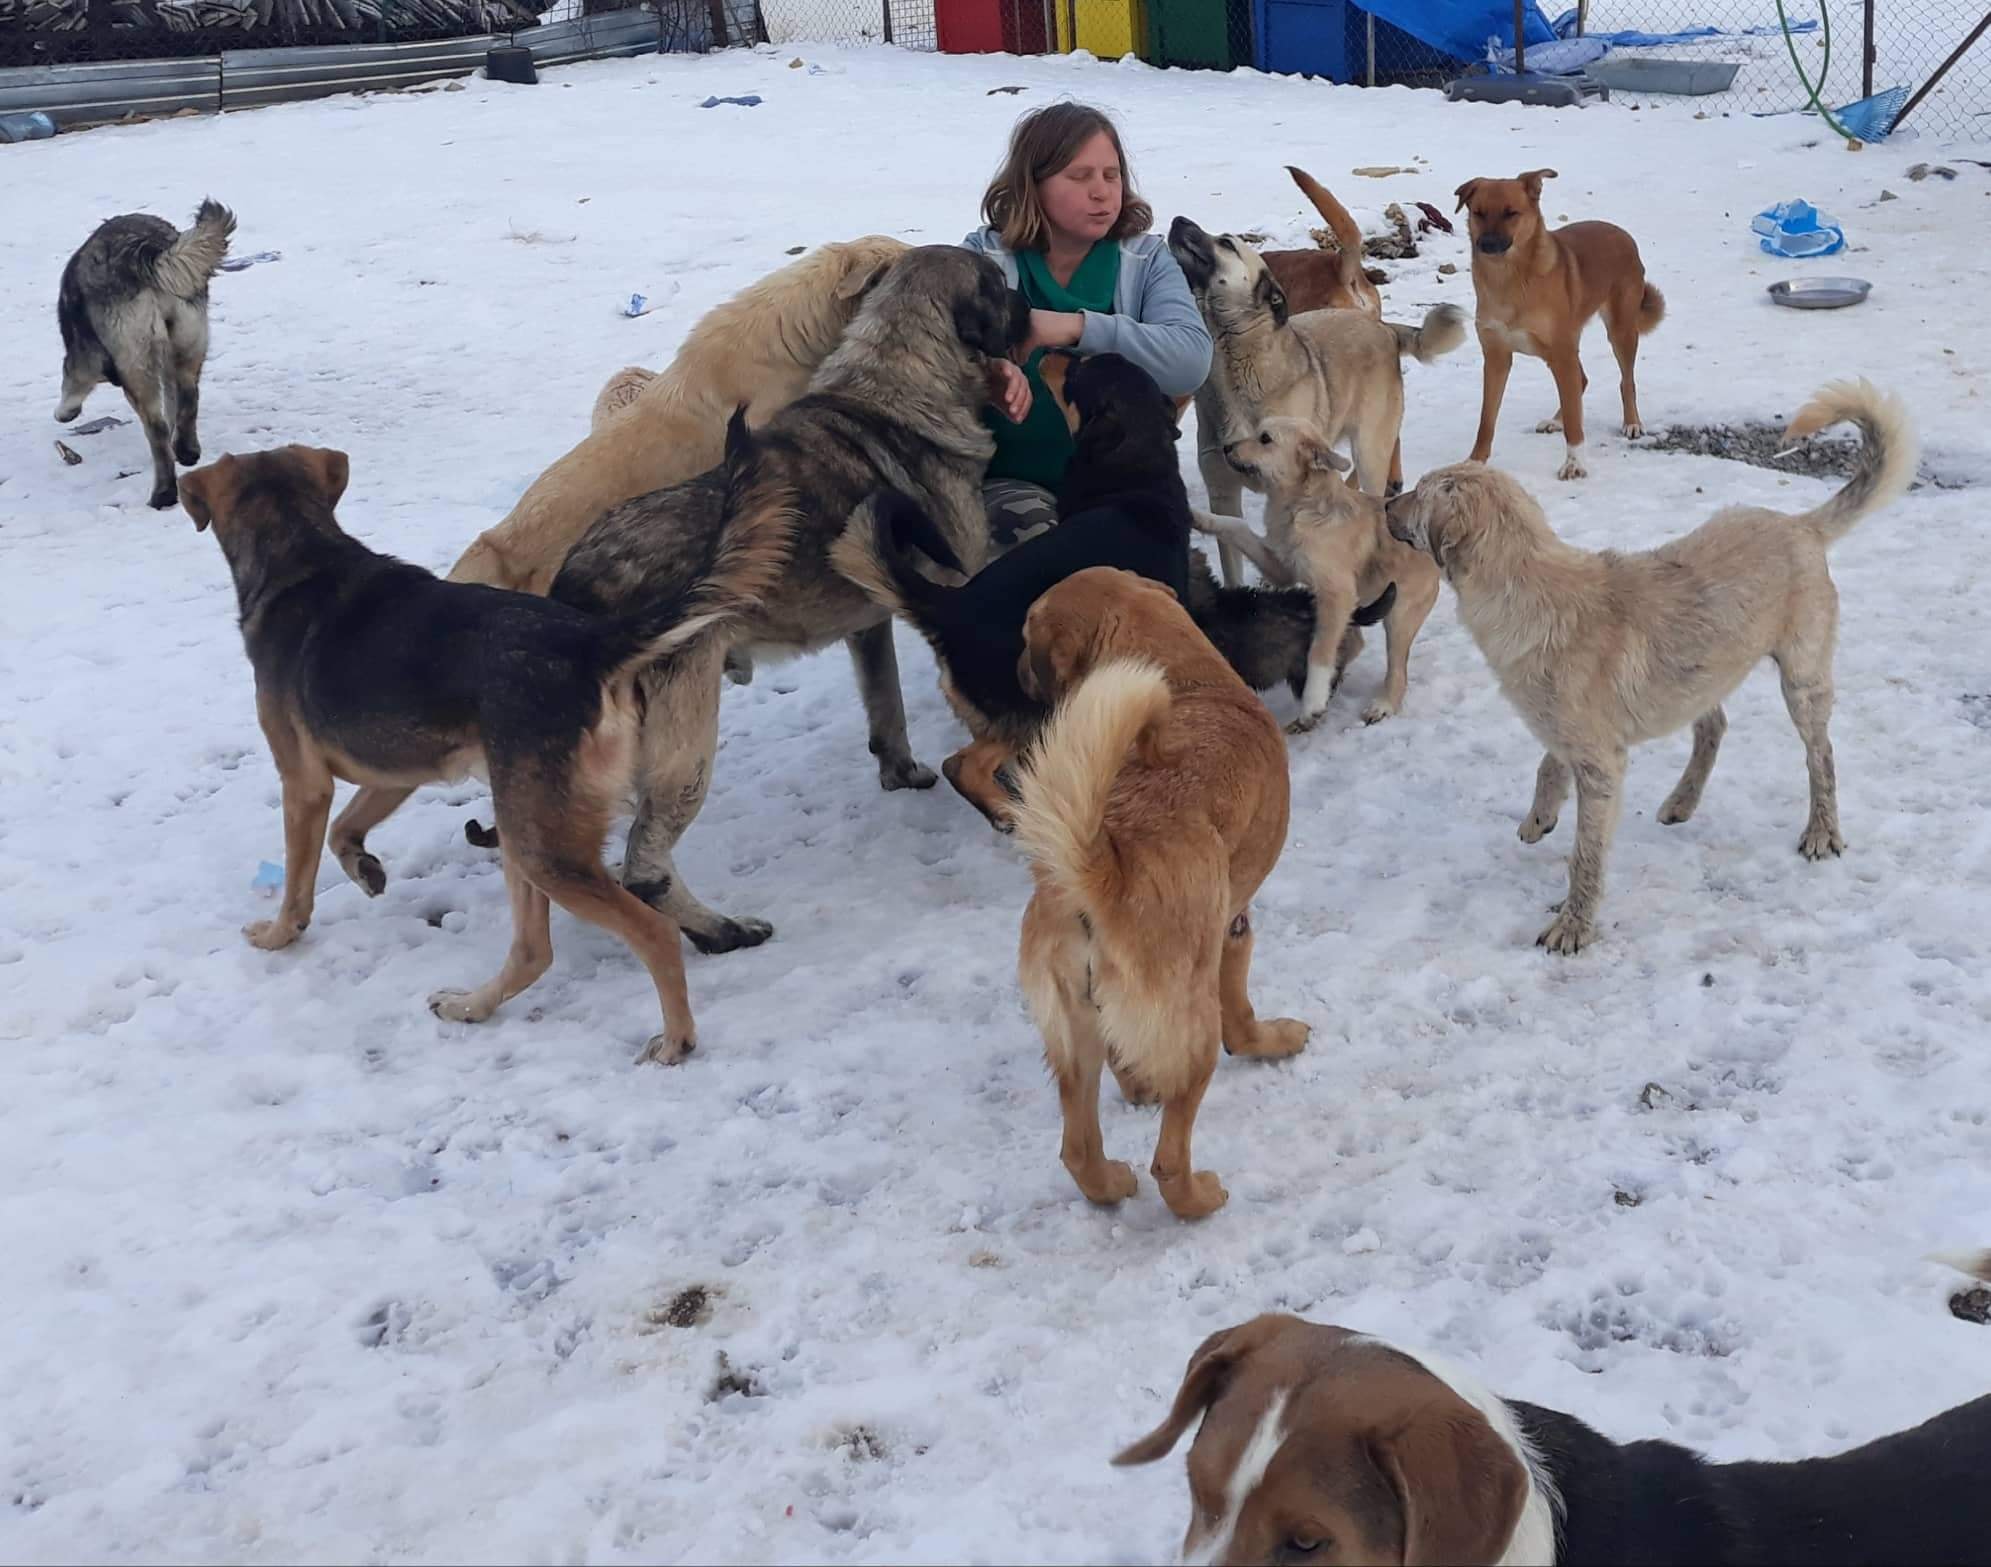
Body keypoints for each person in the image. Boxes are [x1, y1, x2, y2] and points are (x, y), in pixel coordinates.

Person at [962, 102, 1211, 550]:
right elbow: (932, 351)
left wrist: (1072, 327)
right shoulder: (985, 259)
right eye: (1080, 177)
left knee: (1156, 604)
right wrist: (982, 373)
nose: (1102, 193)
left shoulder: (1146, 260)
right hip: (1009, 485)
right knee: (1049, 565)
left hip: (1121, 487)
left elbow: (1190, 360)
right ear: (1032, 185)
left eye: (1111, 176)